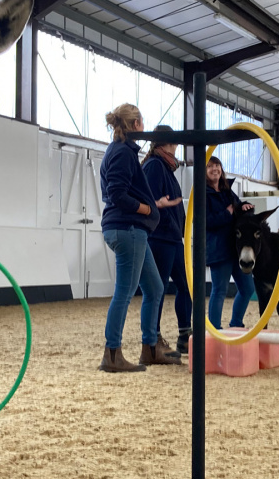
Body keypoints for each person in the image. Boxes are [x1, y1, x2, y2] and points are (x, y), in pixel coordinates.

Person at [98, 104, 182, 372]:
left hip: (134, 230)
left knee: (155, 288)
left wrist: (149, 207)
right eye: (141, 123)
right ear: (135, 125)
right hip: (128, 229)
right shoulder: (123, 152)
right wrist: (147, 208)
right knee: (124, 292)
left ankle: (149, 348)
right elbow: (118, 193)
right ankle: (112, 354)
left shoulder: (121, 151)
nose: (143, 128)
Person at [142, 126, 192, 355]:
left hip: (172, 238)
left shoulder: (165, 167)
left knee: (186, 285)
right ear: (167, 144)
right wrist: (171, 225)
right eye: (175, 143)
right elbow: (153, 202)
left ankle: (184, 335)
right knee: (157, 289)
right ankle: (154, 338)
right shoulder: (154, 166)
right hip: (161, 237)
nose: (177, 148)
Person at [206, 155, 255, 329]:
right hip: (218, 250)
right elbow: (205, 221)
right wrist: (227, 213)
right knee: (219, 290)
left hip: (235, 249)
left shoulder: (227, 190)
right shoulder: (202, 193)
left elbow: (238, 206)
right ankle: (214, 330)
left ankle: (235, 323)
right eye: (210, 166)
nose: (215, 169)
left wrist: (245, 206)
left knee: (248, 288)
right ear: (204, 171)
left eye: (217, 165)